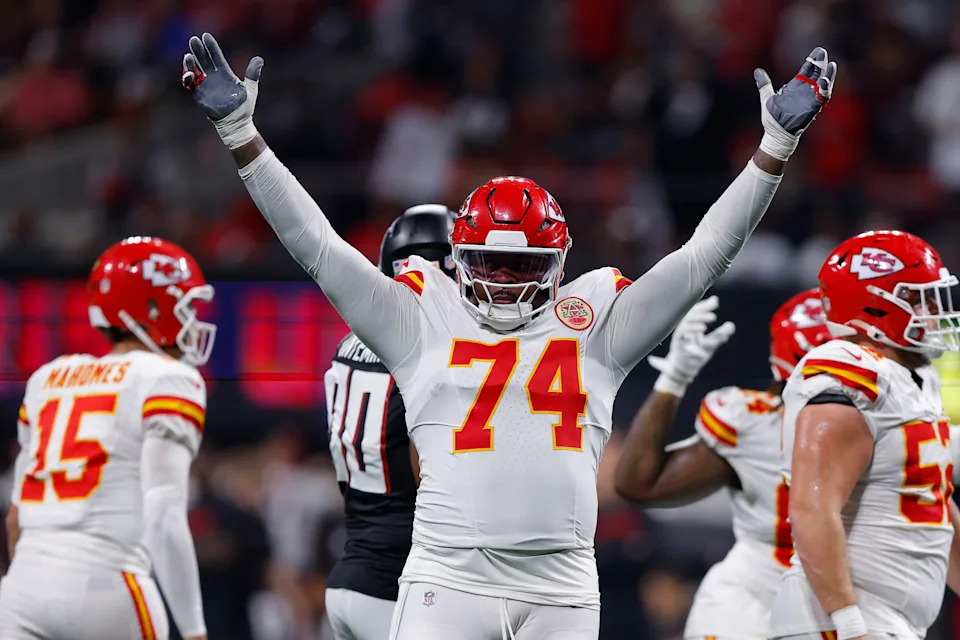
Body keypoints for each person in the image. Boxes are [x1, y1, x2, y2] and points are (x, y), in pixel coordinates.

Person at [181, 32, 836, 640]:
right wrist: (241, 135)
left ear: (556, 265)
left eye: (521, 266)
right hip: (448, 577)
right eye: (489, 262)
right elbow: (315, 245)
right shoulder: (418, 316)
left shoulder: (596, 322)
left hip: (562, 585)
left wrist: (772, 151)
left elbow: (705, 255)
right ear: (457, 256)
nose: (502, 280)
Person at [0, 237, 212, 640]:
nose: (192, 321)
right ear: (151, 309)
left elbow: (15, 519)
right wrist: (194, 630)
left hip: (21, 590)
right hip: (109, 587)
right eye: (186, 306)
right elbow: (164, 514)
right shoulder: (168, 378)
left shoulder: (47, 378)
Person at [772, 230, 960, 640]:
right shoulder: (848, 372)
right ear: (873, 308)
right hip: (842, 616)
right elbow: (812, 508)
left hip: (892, 619)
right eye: (919, 300)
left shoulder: (916, 377)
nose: (935, 312)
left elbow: (934, 502)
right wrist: (849, 623)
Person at [613, 290, 830, 639]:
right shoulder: (754, 423)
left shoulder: (896, 424)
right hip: (754, 609)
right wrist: (673, 378)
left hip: (838, 608)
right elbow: (639, 484)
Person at [324, 204, 455, 640]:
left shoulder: (347, 344)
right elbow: (435, 477)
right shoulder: (429, 352)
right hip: (398, 591)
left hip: (348, 577)